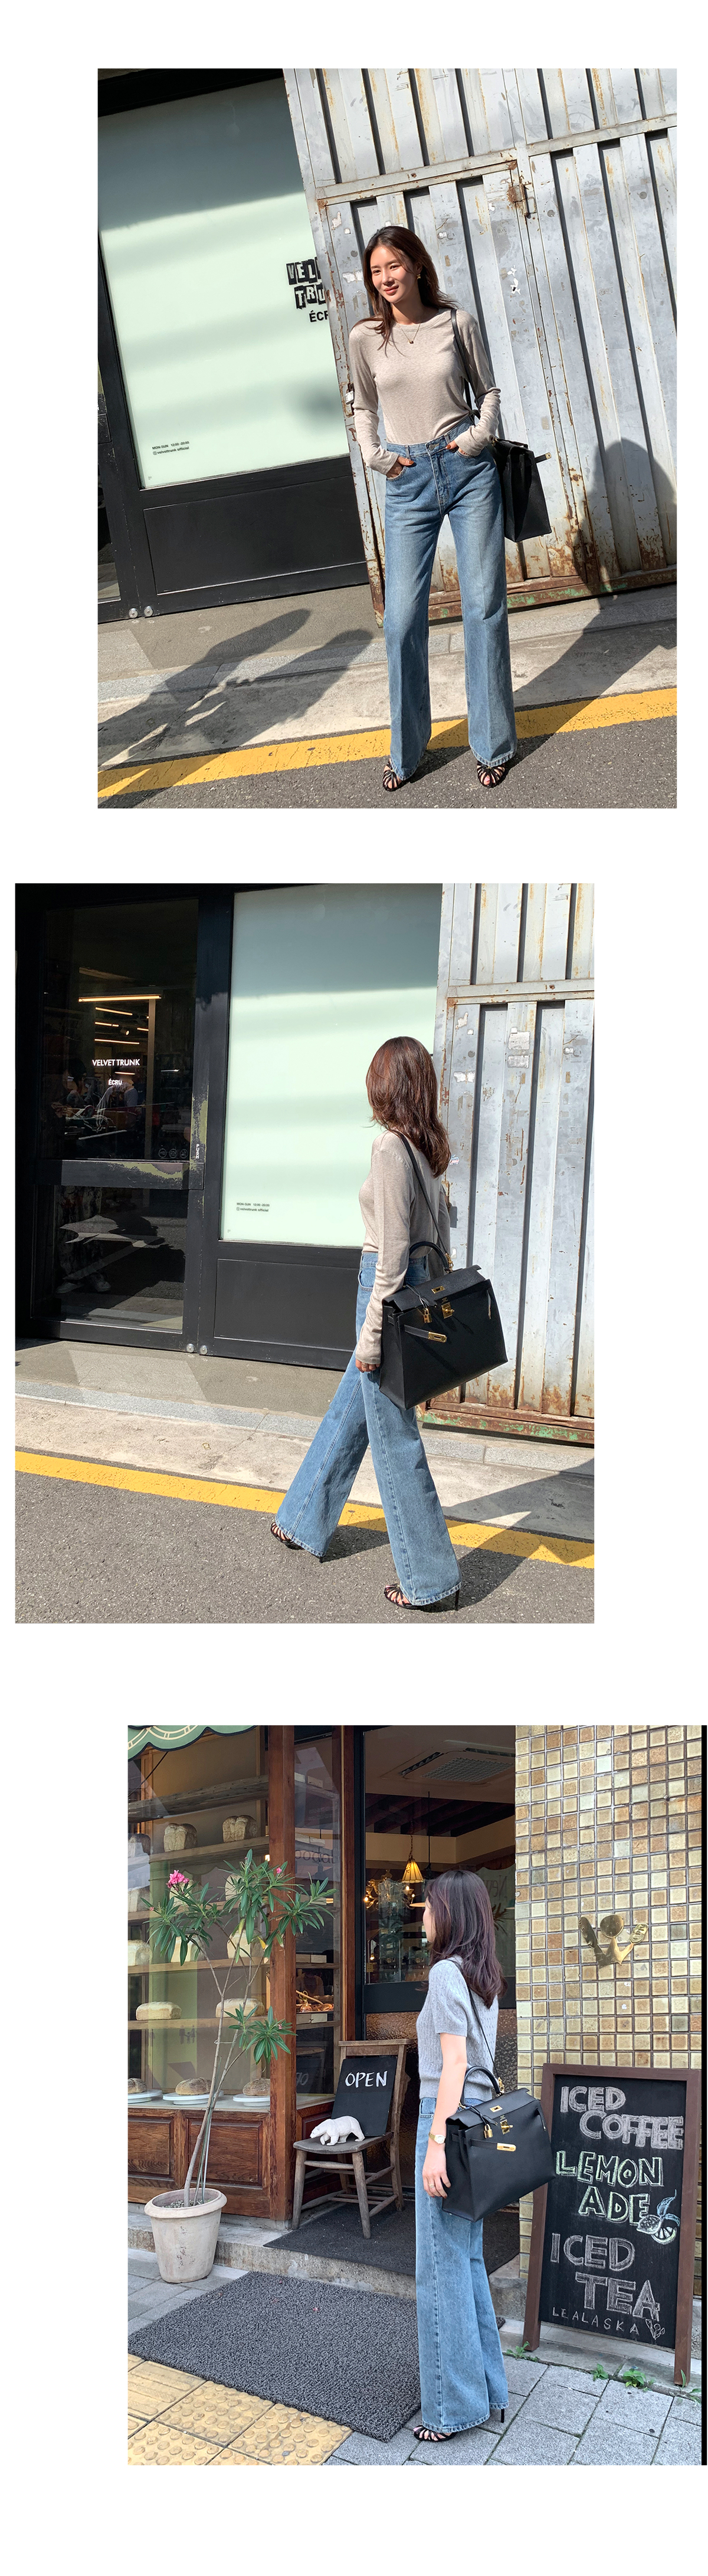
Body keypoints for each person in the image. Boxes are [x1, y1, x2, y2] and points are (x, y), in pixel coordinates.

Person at [270, 1035, 461, 1613]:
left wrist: (373, 1336)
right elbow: (439, 1241)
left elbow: (393, 1258)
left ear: (387, 1087)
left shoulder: (388, 1148)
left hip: (385, 1289)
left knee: (394, 1434)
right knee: (353, 1407)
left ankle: (430, 1579)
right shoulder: (425, 1151)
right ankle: (303, 1517)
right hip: (413, 1288)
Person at [349, 226, 516, 795]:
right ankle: (407, 750)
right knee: (400, 620)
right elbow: (363, 405)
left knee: (483, 607)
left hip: (467, 470)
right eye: (376, 271)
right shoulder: (367, 338)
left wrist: (478, 438)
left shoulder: (456, 322)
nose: (385, 278)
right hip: (408, 480)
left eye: (394, 266)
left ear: (418, 266)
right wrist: (375, 456)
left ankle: (492, 744)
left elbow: (488, 391)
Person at [413, 1870, 509, 2442]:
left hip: (447, 2119)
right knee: (467, 2259)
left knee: (440, 2266)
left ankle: (450, 2409)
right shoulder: (482, 1978)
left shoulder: (446, 1972)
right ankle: (486, 2390)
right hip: (476, 2121)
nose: (423, 1915)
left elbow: (453, 2064)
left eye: (428, 1906)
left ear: (449, 1912)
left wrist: (435, 2145)